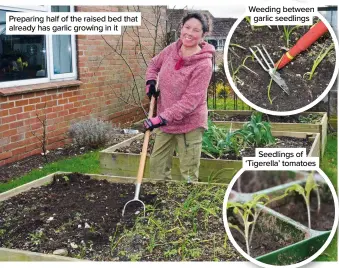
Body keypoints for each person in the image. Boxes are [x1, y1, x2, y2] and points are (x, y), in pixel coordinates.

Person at [144, 12, 215, 181]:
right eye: (187, 27)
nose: (189, 33)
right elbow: (154, 64)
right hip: (166, 121)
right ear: (181, 27)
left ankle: (186, 206)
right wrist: (151, 82)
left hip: (190, 124)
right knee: (157, 168)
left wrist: (160, 119)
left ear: (203, 35)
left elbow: (190, 102)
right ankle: (159, 203)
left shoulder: (203, 64)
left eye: (196, 30)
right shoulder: (171, 49)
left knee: (188, 175)